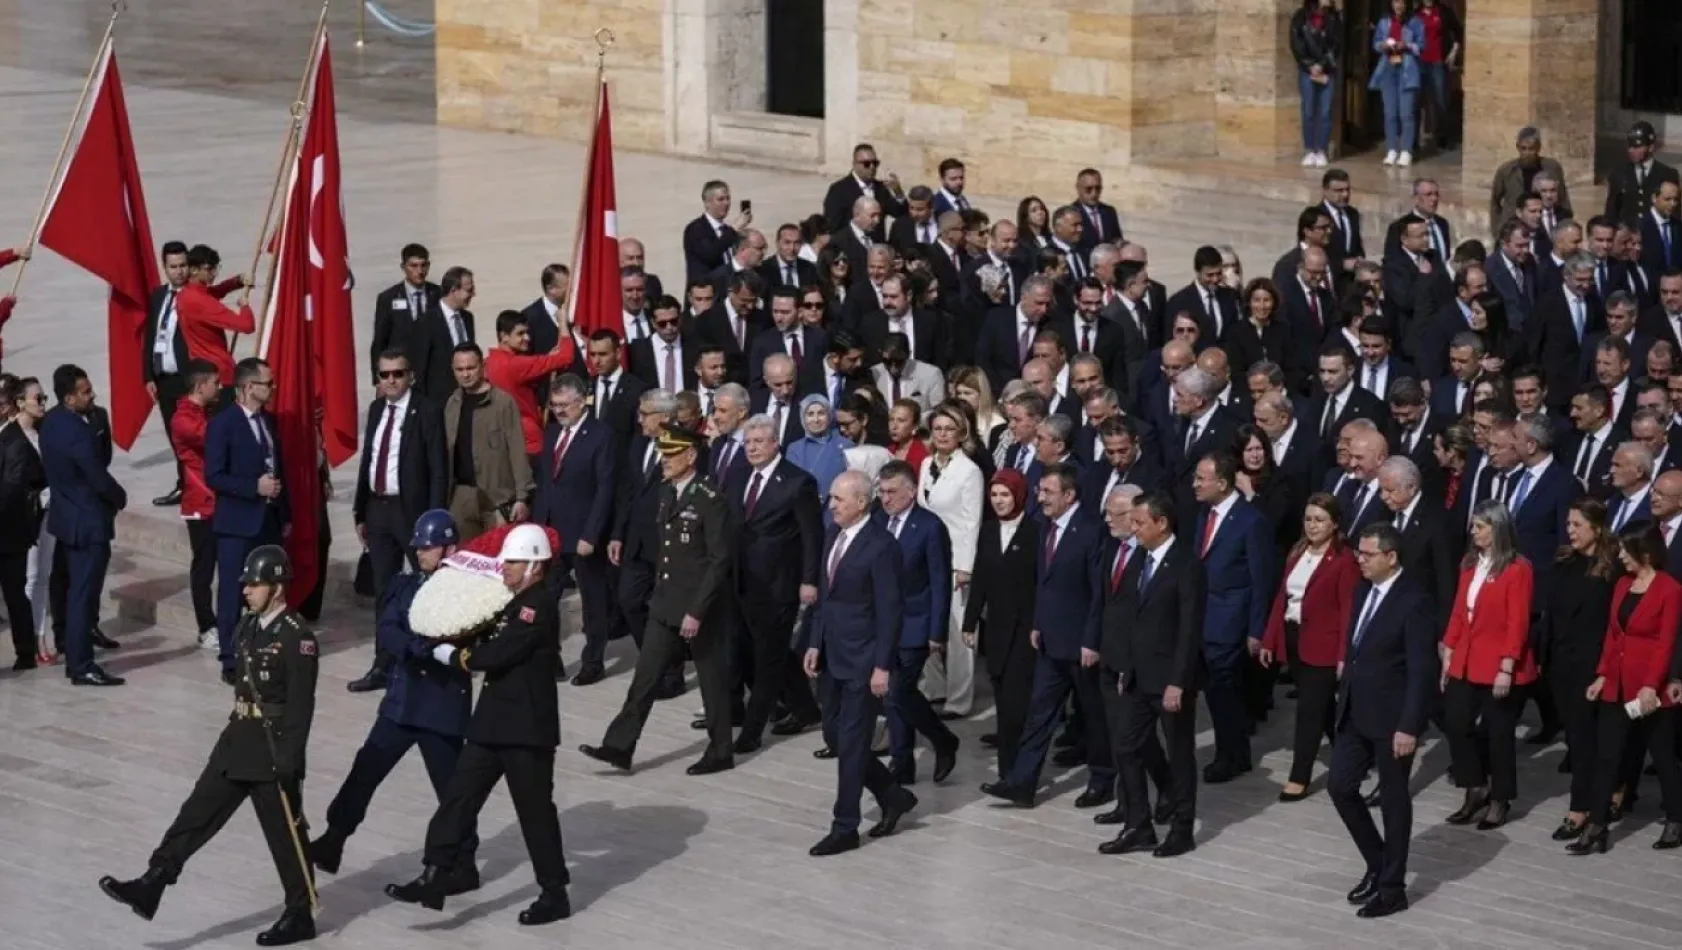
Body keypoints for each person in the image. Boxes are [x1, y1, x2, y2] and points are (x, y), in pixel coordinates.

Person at [98, 545, 320, 946]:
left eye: (254, 584)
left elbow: (301, 706)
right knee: (195, 814)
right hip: (237, 740)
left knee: (285, 835)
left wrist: (290, 761)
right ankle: (154, 882)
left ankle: (300, 912)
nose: (247, 591)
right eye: (247, 584)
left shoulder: (296, 638)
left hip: (272, 748)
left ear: (277, 588)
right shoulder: (249, 627)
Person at [386, 524, 572, 925]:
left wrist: (454, 657)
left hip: (525, 730)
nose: (505, 567)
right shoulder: (511, 600)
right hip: (491, 723)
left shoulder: (537, 605)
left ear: (536, 567)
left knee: (535, 813)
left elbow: (499, 652)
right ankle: (435, 873)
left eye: (514, 561)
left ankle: (554, 892)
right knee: (458, 797)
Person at [307, 511, 479, 889]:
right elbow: (388, 628)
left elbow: (460, 636)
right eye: (418, 546)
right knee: (365, 768)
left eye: (428, 546)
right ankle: (334, 839)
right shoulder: (405, 584)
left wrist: (424, 645)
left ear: (449, 547)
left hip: (440, 705)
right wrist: (416, 648)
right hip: (403, 701)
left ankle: (463, 863)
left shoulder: (467, 592)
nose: (420, 552)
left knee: (450, 791)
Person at [580, 425, 739, 774]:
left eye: (671, 454)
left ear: (691, 456)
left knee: (712, 681)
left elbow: (718, 560)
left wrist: (697, 611)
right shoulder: (668, 493)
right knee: (645, 677)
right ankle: (619, 746)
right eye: (663, 454)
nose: (664, 461)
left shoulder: (709, 499)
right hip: (666, 603)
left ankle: (720, 750)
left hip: (701, 607)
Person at [801, 470, 918, 856]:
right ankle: (890, 793)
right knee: (835, 735)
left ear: (861, 503)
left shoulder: (881, 546)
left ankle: (845, 825)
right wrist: (815, 642)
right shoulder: (834, 535)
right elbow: (826, 596)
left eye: (838, 499)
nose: (831, 504)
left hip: (865, 660)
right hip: (834, 653)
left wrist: (882, 665)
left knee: (851, 741)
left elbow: (890, 610)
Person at [1328, 522, 1438, 919]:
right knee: (1340, 786)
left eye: (1368, 554)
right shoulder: (1362, 591)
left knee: (1393, 800)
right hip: (1356, 712)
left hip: (1393, 721)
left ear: (1391, 557)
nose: (1360, 559)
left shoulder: (1414, 601)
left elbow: (1423, 670)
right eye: (1359, 552)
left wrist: (1409, 725)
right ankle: (1377, 861)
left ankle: (1393, 887)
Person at [1097, 490, 1205, 857]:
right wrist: (1126, 665)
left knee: (1178, 753)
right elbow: (1131, 617)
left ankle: (1182, 827)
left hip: (1170, 680)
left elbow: (1189, 629)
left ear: (1162, 523)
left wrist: (1179, 681)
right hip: (1140, 674)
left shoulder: (1186, 565)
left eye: (1141, 522)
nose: (1135, 528)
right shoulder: (1139, 560)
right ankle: (1139, 824)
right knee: (1127, 746)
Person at [1571, 521, 1682, 854]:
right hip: (1617, 684)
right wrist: (1603, 674)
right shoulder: (1621, 584)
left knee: (1662, 756)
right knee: (1607, 756)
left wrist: (1652, 686)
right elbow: (1613, 634)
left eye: (1625, 550)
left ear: (1645, 553)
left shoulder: (1670, 589)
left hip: (1649, 689)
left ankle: (1676, 818)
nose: (1620, 556)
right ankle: (1597, 826)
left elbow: (1666, 643)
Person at [1441, 500, 1536, 831]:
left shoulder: (1517, 569)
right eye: (1473, 526)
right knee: (1456, 723)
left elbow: (1517, 623)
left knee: (1498, 734)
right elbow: (1458, 612)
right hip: (1467, 660)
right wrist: (1449, 651)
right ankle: (1475, 786)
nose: (1473, 532)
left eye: (1480, 527)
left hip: (1498, 663)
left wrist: (1506, 667)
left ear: (1497, 528)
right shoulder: (1469, 564)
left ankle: (1500, 798)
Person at [1259, 493, 1358, 801]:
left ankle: (1299, 776)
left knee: (1308, 711)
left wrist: (1344, 655)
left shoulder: (1344, 560)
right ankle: (1350, 751)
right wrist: (1270, 638)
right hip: (1294, 637)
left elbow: (1347, 611)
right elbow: (1282, 598)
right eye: (1308, 519)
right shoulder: (1298, 551)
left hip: (1324, 645)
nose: (1312, 526)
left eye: (1319, 520)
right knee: (1322, 707)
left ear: (1335, 523)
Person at [39, 364, 127, 686]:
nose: (92, 396)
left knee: (73, 592)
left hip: (67, 518)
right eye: (85, 392)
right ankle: (81, 665)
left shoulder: (51, 422)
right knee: (82, 595)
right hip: (87, 523)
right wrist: (120, 497)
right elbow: (98, 477)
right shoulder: (77, 432)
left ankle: (73, 654)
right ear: (68, 397)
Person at [875, 459, 961, 784]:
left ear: (911, 492)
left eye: (892, 492)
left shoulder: (929, 527)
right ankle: (902, 763)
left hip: (916, 622)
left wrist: (937, 632)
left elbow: (939, 581)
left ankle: (942, 739)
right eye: (881, 492)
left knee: (899, 691)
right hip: (885, 625)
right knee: (892, 694)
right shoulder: (879, 520)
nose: (885, 499)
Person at [1541, 498, 1621, 842]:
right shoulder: (1564, 561)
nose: (1570, 530)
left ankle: (1581, 809)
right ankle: (1604, 794)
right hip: (1561, 663)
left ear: (1597, 528)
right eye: (1569, 524)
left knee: (1586, 740)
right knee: (1577, 737)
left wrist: (1604, 671)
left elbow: (1613, 625)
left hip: (1592, 666)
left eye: (1577, 525)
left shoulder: (1611, 570)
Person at [207, 358, 289, 684]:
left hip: (267, 520)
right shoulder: (223, 424)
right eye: (266, 383)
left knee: (269, 590)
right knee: (232, 592)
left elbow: (278, 468)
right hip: (236, 523)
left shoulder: (268, 422)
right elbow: (214, 475)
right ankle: (230, 659)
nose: (271, 388)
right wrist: (253, 488)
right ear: (247, 387)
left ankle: (265, 648)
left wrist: (285, 513)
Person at [962, 469, 1039, 777]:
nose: (999, 501)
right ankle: (1008, 773)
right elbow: (980, 577)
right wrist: (969, 622)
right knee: (1003, 702)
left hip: (1024, 631)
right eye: (994, 495)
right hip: (996, 630)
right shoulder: (989, 531)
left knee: (1017, 704)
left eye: (1005, 494)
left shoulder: (1035, 532)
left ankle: (1019, 772)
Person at [170, 360, 223, 650]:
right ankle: (206, 626)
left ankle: (227, 620)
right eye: (214, 382)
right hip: (200, 502)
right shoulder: (184, 419)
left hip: (219, 499)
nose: (219, 387)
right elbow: (215, 438)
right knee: (204, 566)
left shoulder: (206, 412)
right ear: (200, 385)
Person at [1369, 0, 1423, 168]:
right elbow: (1376, 43)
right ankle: (1391, 149)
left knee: (1406, 113)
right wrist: (1383, 45)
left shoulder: (1415, 22)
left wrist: (1406, 45)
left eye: (1401, 2)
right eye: (1395, 1)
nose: (1398, 5)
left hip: (1406, 70)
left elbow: (1421, 46)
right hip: (1388, 69)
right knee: (1390, 113)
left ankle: (1406, 151)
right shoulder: (1384, 22)